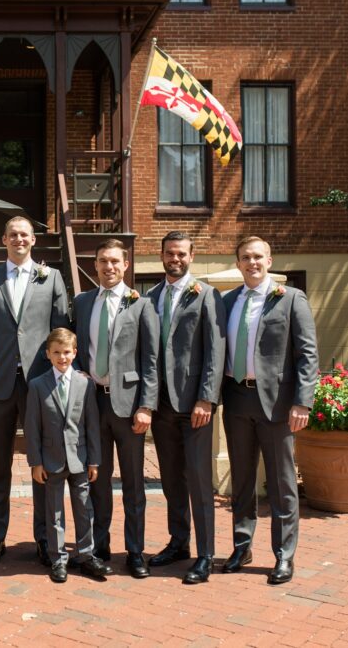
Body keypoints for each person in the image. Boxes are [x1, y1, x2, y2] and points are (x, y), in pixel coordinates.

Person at [0, 215, 70, 567]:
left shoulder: (51, 278)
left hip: (39, 384)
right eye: (12, 235)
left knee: (42, 463)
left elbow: (61, 332)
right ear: (4, 240)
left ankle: (44, 538)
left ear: (33, 240)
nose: (19, 240)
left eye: (24, 234)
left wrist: (60, 380)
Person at [221, 236, 318, 585]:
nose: (252, 263)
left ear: (269, 260)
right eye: (246, 257)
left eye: (258, 256)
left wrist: (302, 401)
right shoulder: (227, 301)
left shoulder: (290, 299)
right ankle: (242, 546)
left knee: (281, 482)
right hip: (236, 399)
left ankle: (284, 554)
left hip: (277, 404)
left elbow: (307, 354)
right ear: (238, 263)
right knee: (242, 480)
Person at [72, 239, 159, 579]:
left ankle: (135, 551)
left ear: (125, 265)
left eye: (114, 261)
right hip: (93, 403)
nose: (108, 267)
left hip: (129, 406)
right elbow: (73, 345)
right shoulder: (82, 303)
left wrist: (146, 406)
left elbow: (150, 360)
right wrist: (77, 370)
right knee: (97, 479)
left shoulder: (141, 304)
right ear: (95, 265)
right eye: (102, 261)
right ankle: (100, 546)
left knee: (134, 483)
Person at [146, 231, 226, 584]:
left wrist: (206, 397)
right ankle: (179, 541)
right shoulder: (150, 297)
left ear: (191, 256)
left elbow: (215, 351)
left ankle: (205, 554)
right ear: (162, 255)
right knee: (171, 480)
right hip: (160, 404)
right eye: (169, 253)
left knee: (198, 480)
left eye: (181, 253)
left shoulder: (206, 295)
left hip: (195, 404)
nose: (174, 259)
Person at [25, 328, 111, 583]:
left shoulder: (85, 384)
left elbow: (92, 425)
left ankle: (86, 556)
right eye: (56, 353)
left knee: (84, 509)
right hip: (50, 459)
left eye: (66, 352)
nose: (62, 357)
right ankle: (58, 559)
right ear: (48, 354)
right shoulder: (37, 386)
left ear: (74, 353)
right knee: (54, 512)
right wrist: (35, 462)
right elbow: (32, 428)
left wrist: (94, 460)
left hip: (80, 458)